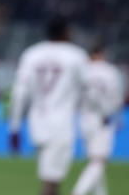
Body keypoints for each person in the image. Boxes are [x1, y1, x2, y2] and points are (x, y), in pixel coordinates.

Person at [9, 15, 88, 195]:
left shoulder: (31, 54)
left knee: (52, 178)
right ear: (66, 32)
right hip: (60, 126)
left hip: (37, 124)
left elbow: (20, 92)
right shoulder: (76, 55)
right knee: (51, 182)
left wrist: (14, 127)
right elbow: (88, 90)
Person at [71, 41, 125, 195]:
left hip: (83, 118)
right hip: (103, 119)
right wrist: (117, 117)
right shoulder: (111, 71)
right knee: (99, 161)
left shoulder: (83, 71)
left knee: (93, 161)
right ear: (103, 54)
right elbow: (117, 98)